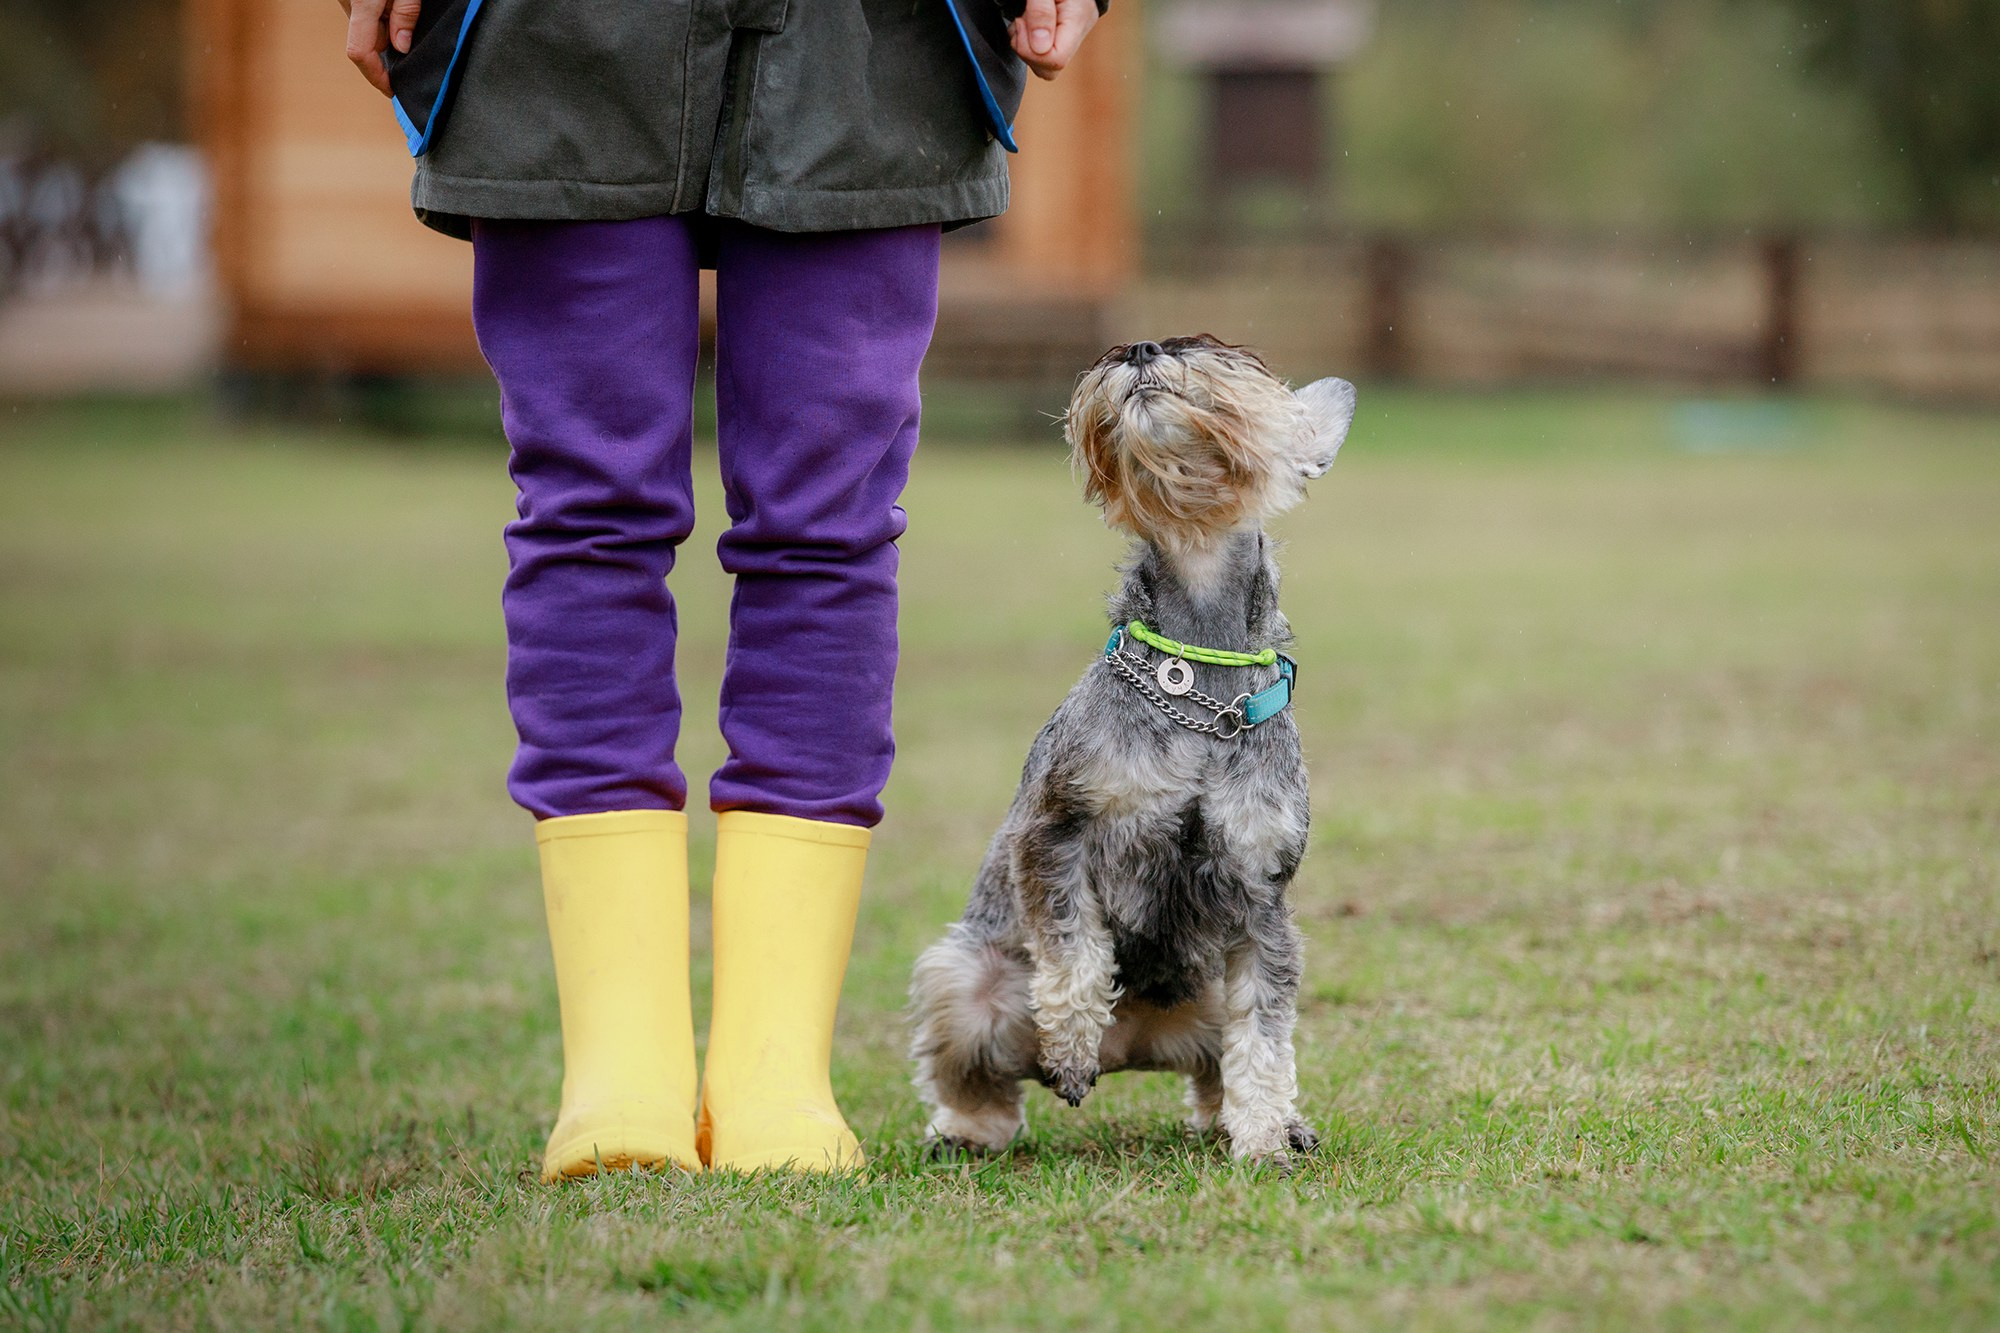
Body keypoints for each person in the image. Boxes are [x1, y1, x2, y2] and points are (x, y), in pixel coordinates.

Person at [336, 0, 1106, 1177]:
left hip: (869, 43)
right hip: (552, 38)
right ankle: (619, 1068)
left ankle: (772, 1070)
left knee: (827, 527)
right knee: (587, 513)